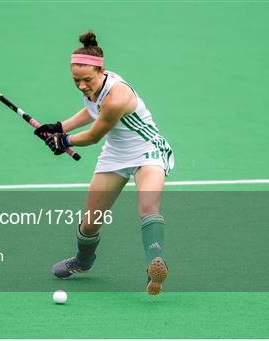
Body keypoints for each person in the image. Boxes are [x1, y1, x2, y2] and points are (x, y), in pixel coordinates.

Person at [35, 31, 174, 295]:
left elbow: (94, 134)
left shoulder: (117, 97)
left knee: (148, 206)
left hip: (148, 150)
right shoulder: (94, 87)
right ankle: (83, 261)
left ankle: (154, 267)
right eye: (76, 80)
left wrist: (64, 141)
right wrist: (59, 127)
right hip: (116, 155)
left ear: (102, 71)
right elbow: (91, 110)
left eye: (86, 80)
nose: (81, 86)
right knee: (90, 222)